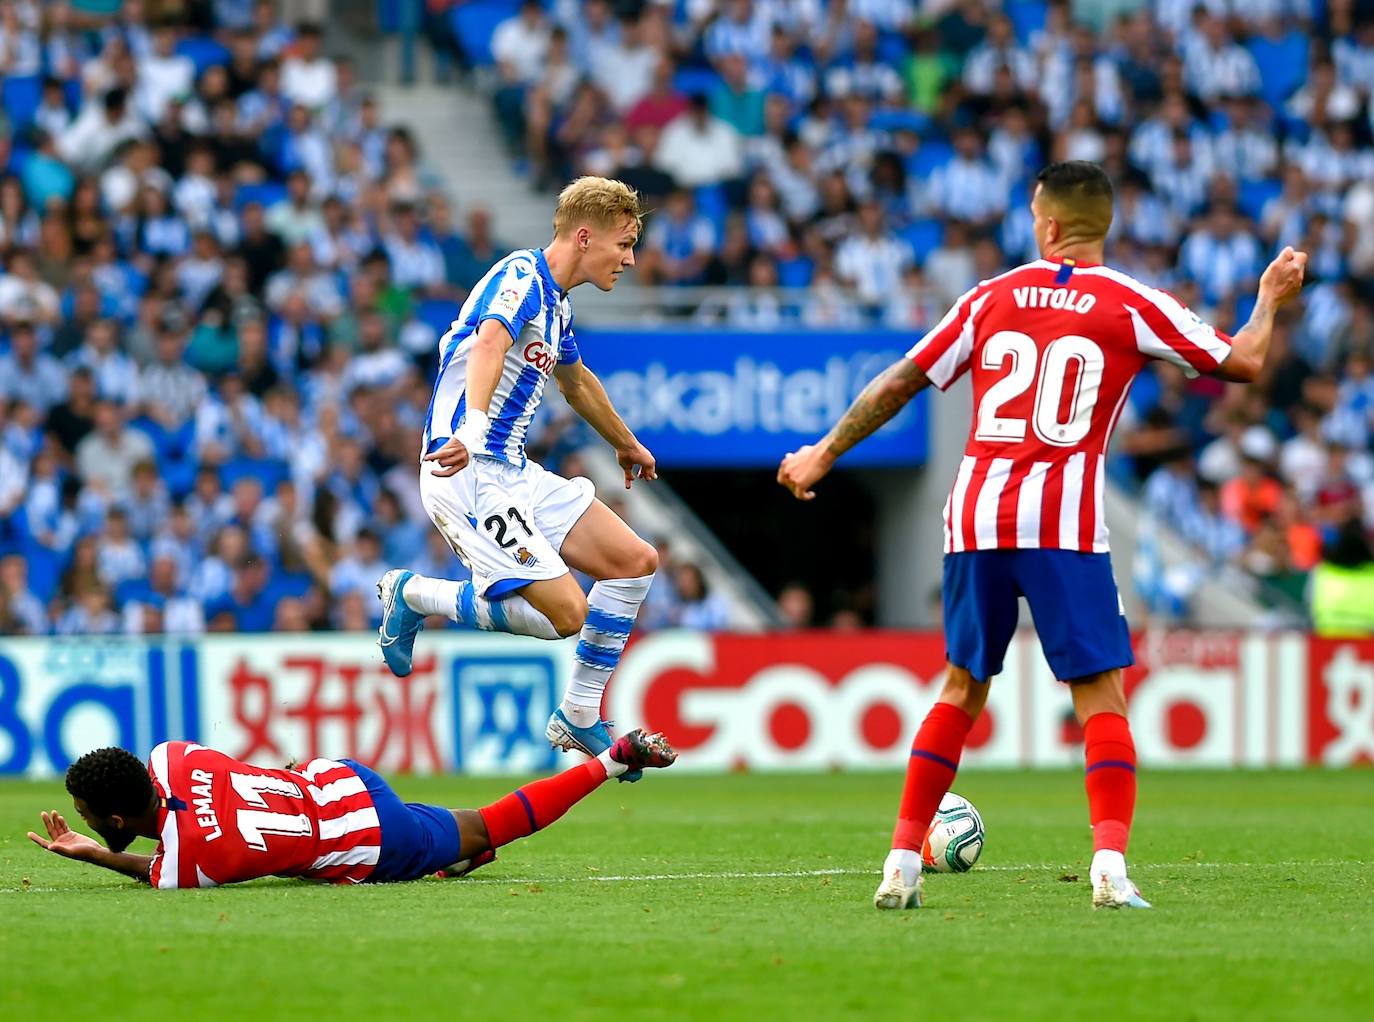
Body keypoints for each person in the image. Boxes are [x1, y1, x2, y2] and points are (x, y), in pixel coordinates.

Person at [777, 161, 1308, 912]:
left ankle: (901, 861)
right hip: (1063, 525)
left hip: (975, 517)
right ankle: (1110, 872)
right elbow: (1244, 362)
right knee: (1100, 698)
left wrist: (823, 452)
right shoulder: (1132, 303)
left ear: (1049, 224)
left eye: (1034, 212)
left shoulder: (987, 298)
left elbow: (900, 381)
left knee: (962, 688)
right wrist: (1267, 300)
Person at [376, 177, 660, 781]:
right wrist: (472, 432)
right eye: (625, 243)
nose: (631, 259)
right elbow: (488, 343)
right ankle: (414, 595)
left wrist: (626, 442)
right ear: (586, 236)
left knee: (635, 559)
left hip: (512, 470)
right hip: (466, 471)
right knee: (567, 615)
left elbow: (576, 382)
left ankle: (581, 712)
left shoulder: (556, 302)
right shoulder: (520, 279)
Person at [27, 731, 677, 889]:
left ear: (113, 822)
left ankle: (613, 758)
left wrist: (98, 857)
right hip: (339, 779)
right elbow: (193, 802)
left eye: (85, 814)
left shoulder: (191, 862)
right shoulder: (171, 756)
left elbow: (158, 870)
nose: (82, 820)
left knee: (486, 822)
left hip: (366, 839)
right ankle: (451, 853)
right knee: (456, 833)